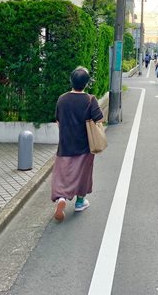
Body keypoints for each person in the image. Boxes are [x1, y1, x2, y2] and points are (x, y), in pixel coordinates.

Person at [51, 66, 103, 221]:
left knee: (63, 173)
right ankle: (80, 202)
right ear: (86, 83)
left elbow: (58, 121)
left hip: (66, 144)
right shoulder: (89, 99)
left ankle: (61, 198)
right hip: (84, 145)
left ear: (71, 81)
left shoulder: (62, 98)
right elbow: (99, 119)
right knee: (83, 174)